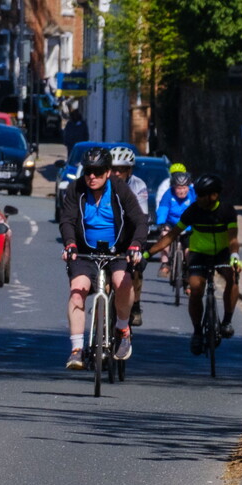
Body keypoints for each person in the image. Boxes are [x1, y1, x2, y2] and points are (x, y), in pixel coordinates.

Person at [57, 146, 148, 369]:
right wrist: (70, 244)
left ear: (108, 172)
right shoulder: (75, 189)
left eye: (98, 172)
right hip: (85, 252)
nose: (92, 177)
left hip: (117, 251)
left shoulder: (119, 189)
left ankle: (123, 330)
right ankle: (77, 350)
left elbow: (140, 220)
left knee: (122, 282)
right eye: (88, 171)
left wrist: (135, 246)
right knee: (77, 292)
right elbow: (67, 220)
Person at [145, 172, 240, 353]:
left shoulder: (227, 210)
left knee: (233, 277)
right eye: (198, 194)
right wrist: (147, 254)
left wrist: (235, 255)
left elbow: (233, 238)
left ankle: (227, 321)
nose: (200, 198)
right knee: (195, 288)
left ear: (215, 195)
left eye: (204, 194)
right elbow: (171, 236)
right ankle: (197, 332)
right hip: (199, 254)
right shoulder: (193, 210)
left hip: (222, 253)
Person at [109, 146, 149, 326]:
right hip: (109, 234)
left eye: (121, 169)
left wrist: (136, 245)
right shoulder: (103, 183)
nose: (116, 173)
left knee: (136, 268)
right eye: (113, 168)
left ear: (129, 170)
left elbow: (141, 217)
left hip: (131, 234)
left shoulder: (138, 185)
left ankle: (136, 306)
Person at [155, 170, 196, 278]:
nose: (182, 191)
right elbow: (163, 209)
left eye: (184, 188)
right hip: (171, 223)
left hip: (188, 225)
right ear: (173, 187)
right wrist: (161, 223)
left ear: (188, 186)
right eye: (179, 188)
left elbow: (199, 209)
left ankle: (188, 270)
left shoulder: (193, 194)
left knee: (189, 248)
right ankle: (165, 264)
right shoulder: (168, 194)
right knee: (164, 236)